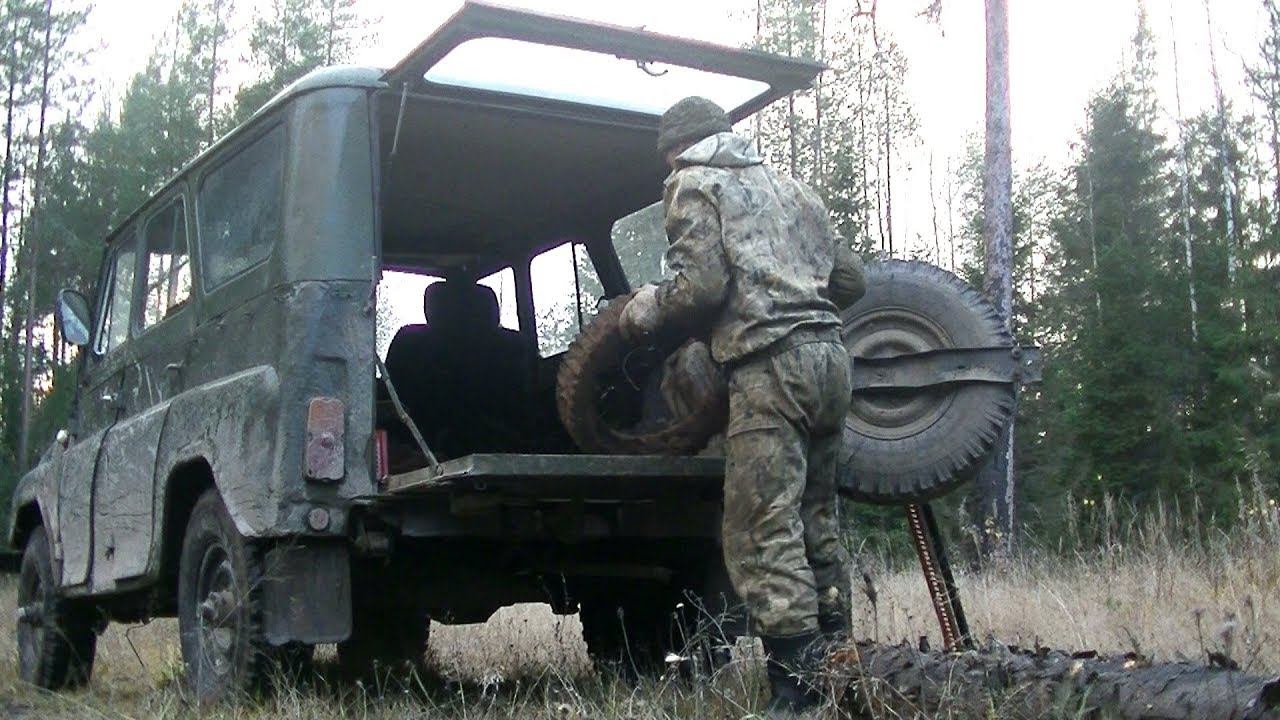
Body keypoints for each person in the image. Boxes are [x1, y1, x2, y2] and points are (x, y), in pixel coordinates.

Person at [619, 96, 866, 717]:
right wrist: (795, 295)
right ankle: (842, 663)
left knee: (761, 526)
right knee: (815, 516)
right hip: (831, 361)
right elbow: (851, 281)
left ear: (676, 149)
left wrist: (648, 307)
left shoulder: (693, 183)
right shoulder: (792, 188)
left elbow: (701, 287)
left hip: (768, 366)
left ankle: (798, 690)